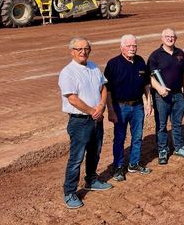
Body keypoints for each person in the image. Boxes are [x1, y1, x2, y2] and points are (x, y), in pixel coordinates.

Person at [59, 37, 112, 209]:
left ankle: (91, 179)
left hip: (96, 119)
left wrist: (102, 106)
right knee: (76, 158)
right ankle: (70, 192)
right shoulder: (68, 72)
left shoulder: (94, 67)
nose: (83, 52)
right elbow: (72, 99)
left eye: (86, 48)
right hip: (80, 121)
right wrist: (92, 111)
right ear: (72, 51)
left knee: (94, 153)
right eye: (79, 49)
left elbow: (103, 88)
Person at [105, 35, 153, 181]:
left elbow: (146, 84)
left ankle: (134, 163)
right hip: (120, 107)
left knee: (137, 137)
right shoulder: (113, 64)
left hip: (137, 105)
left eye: (134, 46)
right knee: (119, 138)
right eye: (129, 46)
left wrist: (148, 102)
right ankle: (118, 166)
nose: (132, 48)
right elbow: (107, 90)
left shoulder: (140, 62)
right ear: (121, 47)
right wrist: (111, 110)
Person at [148, 28, 184, 165]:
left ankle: (179, 147)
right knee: (161, 125)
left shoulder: (180, 53)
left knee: (177, 124)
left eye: (172, 36)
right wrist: (159, 89)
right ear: (162, 38)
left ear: (175, 38)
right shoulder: (155, 56)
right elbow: (150, 77)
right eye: (167, 36)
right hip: (161, 96)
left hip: (178, 94)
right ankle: (163, 150)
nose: (170, 38)